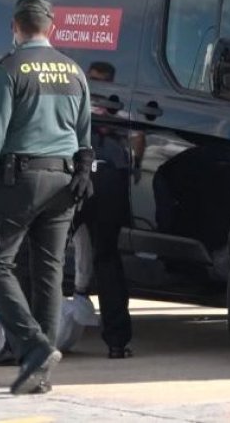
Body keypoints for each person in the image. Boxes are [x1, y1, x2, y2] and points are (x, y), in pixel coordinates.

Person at [0, 0, 94, 395]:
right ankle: (40, 374)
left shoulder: (8, 70)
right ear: (51, 28)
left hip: (20, 179)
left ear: (15, 27)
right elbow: (85, 135)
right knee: (49, 272)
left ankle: (34, 347)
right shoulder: (74, 71)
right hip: (64, 181)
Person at [83, 61, 133, 359]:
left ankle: (35, 342)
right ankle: (117, 340)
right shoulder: (122, 112)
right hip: (107, 179)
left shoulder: (76, 100)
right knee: (107, 257)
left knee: (48, 258)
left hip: (74, 175)